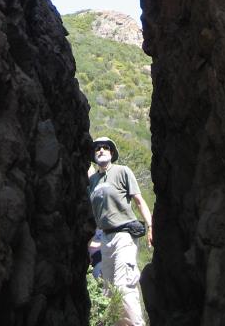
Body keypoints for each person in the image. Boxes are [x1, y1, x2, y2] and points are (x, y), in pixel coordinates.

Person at [89, 136, 153, 326]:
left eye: (105, 147)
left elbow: (139, 201)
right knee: (109, 291)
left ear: (112, 152)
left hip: (124, 236)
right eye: (97, 148)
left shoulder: (122, 171)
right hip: (106, 239)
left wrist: (150, 226)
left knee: (124, 286)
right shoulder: (93, 180)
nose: (101, 150)